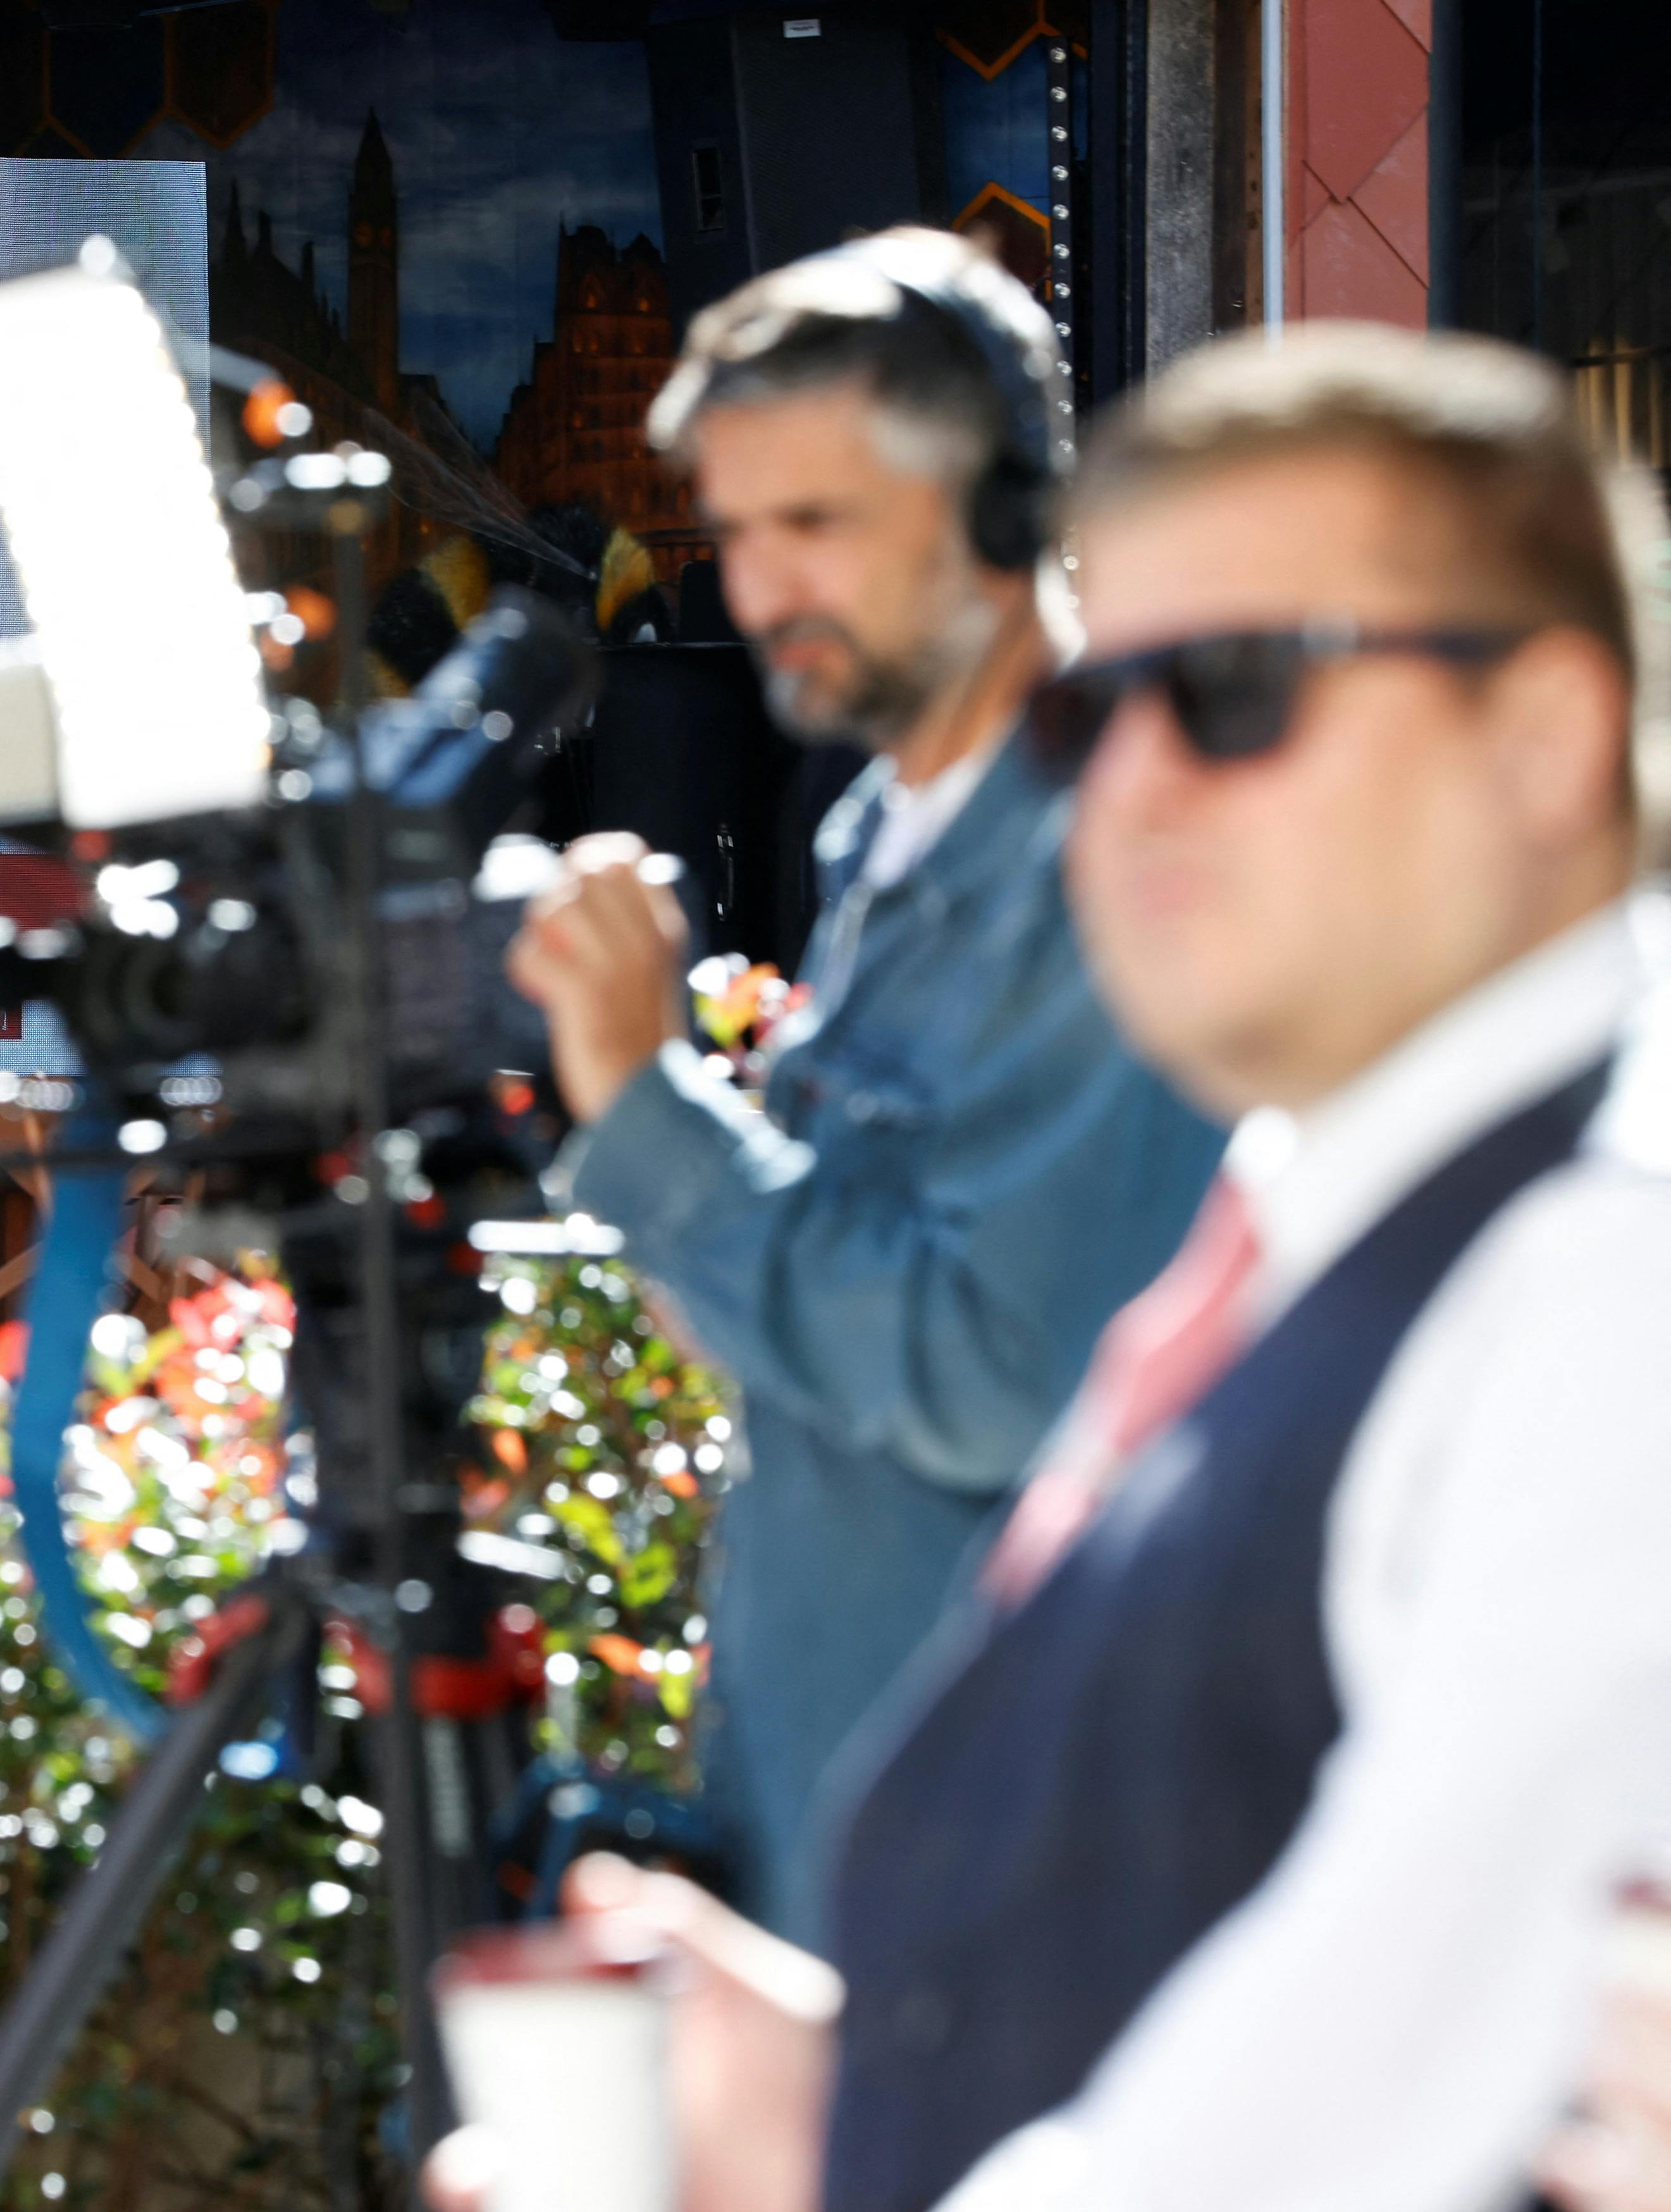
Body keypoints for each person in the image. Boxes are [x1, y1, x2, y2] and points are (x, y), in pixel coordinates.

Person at [459, 319, 1671, 2212]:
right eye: (1091, 717)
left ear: (1547, 737)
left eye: (1241, 691)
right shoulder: (1354, 1195)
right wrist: (835, 2090)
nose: (1129, 788)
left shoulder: (1612, 1266)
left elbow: (1362, 2111)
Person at [507, 228, 1221, 1938]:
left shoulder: (1113, 846)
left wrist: (642, 1102)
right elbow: (815, 1280)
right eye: (733, 532)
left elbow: (992, 1373)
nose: (754, 591)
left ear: (999, 510)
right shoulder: (881, 823)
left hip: (1019, 1876)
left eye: (812, 524)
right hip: (847, 1831)